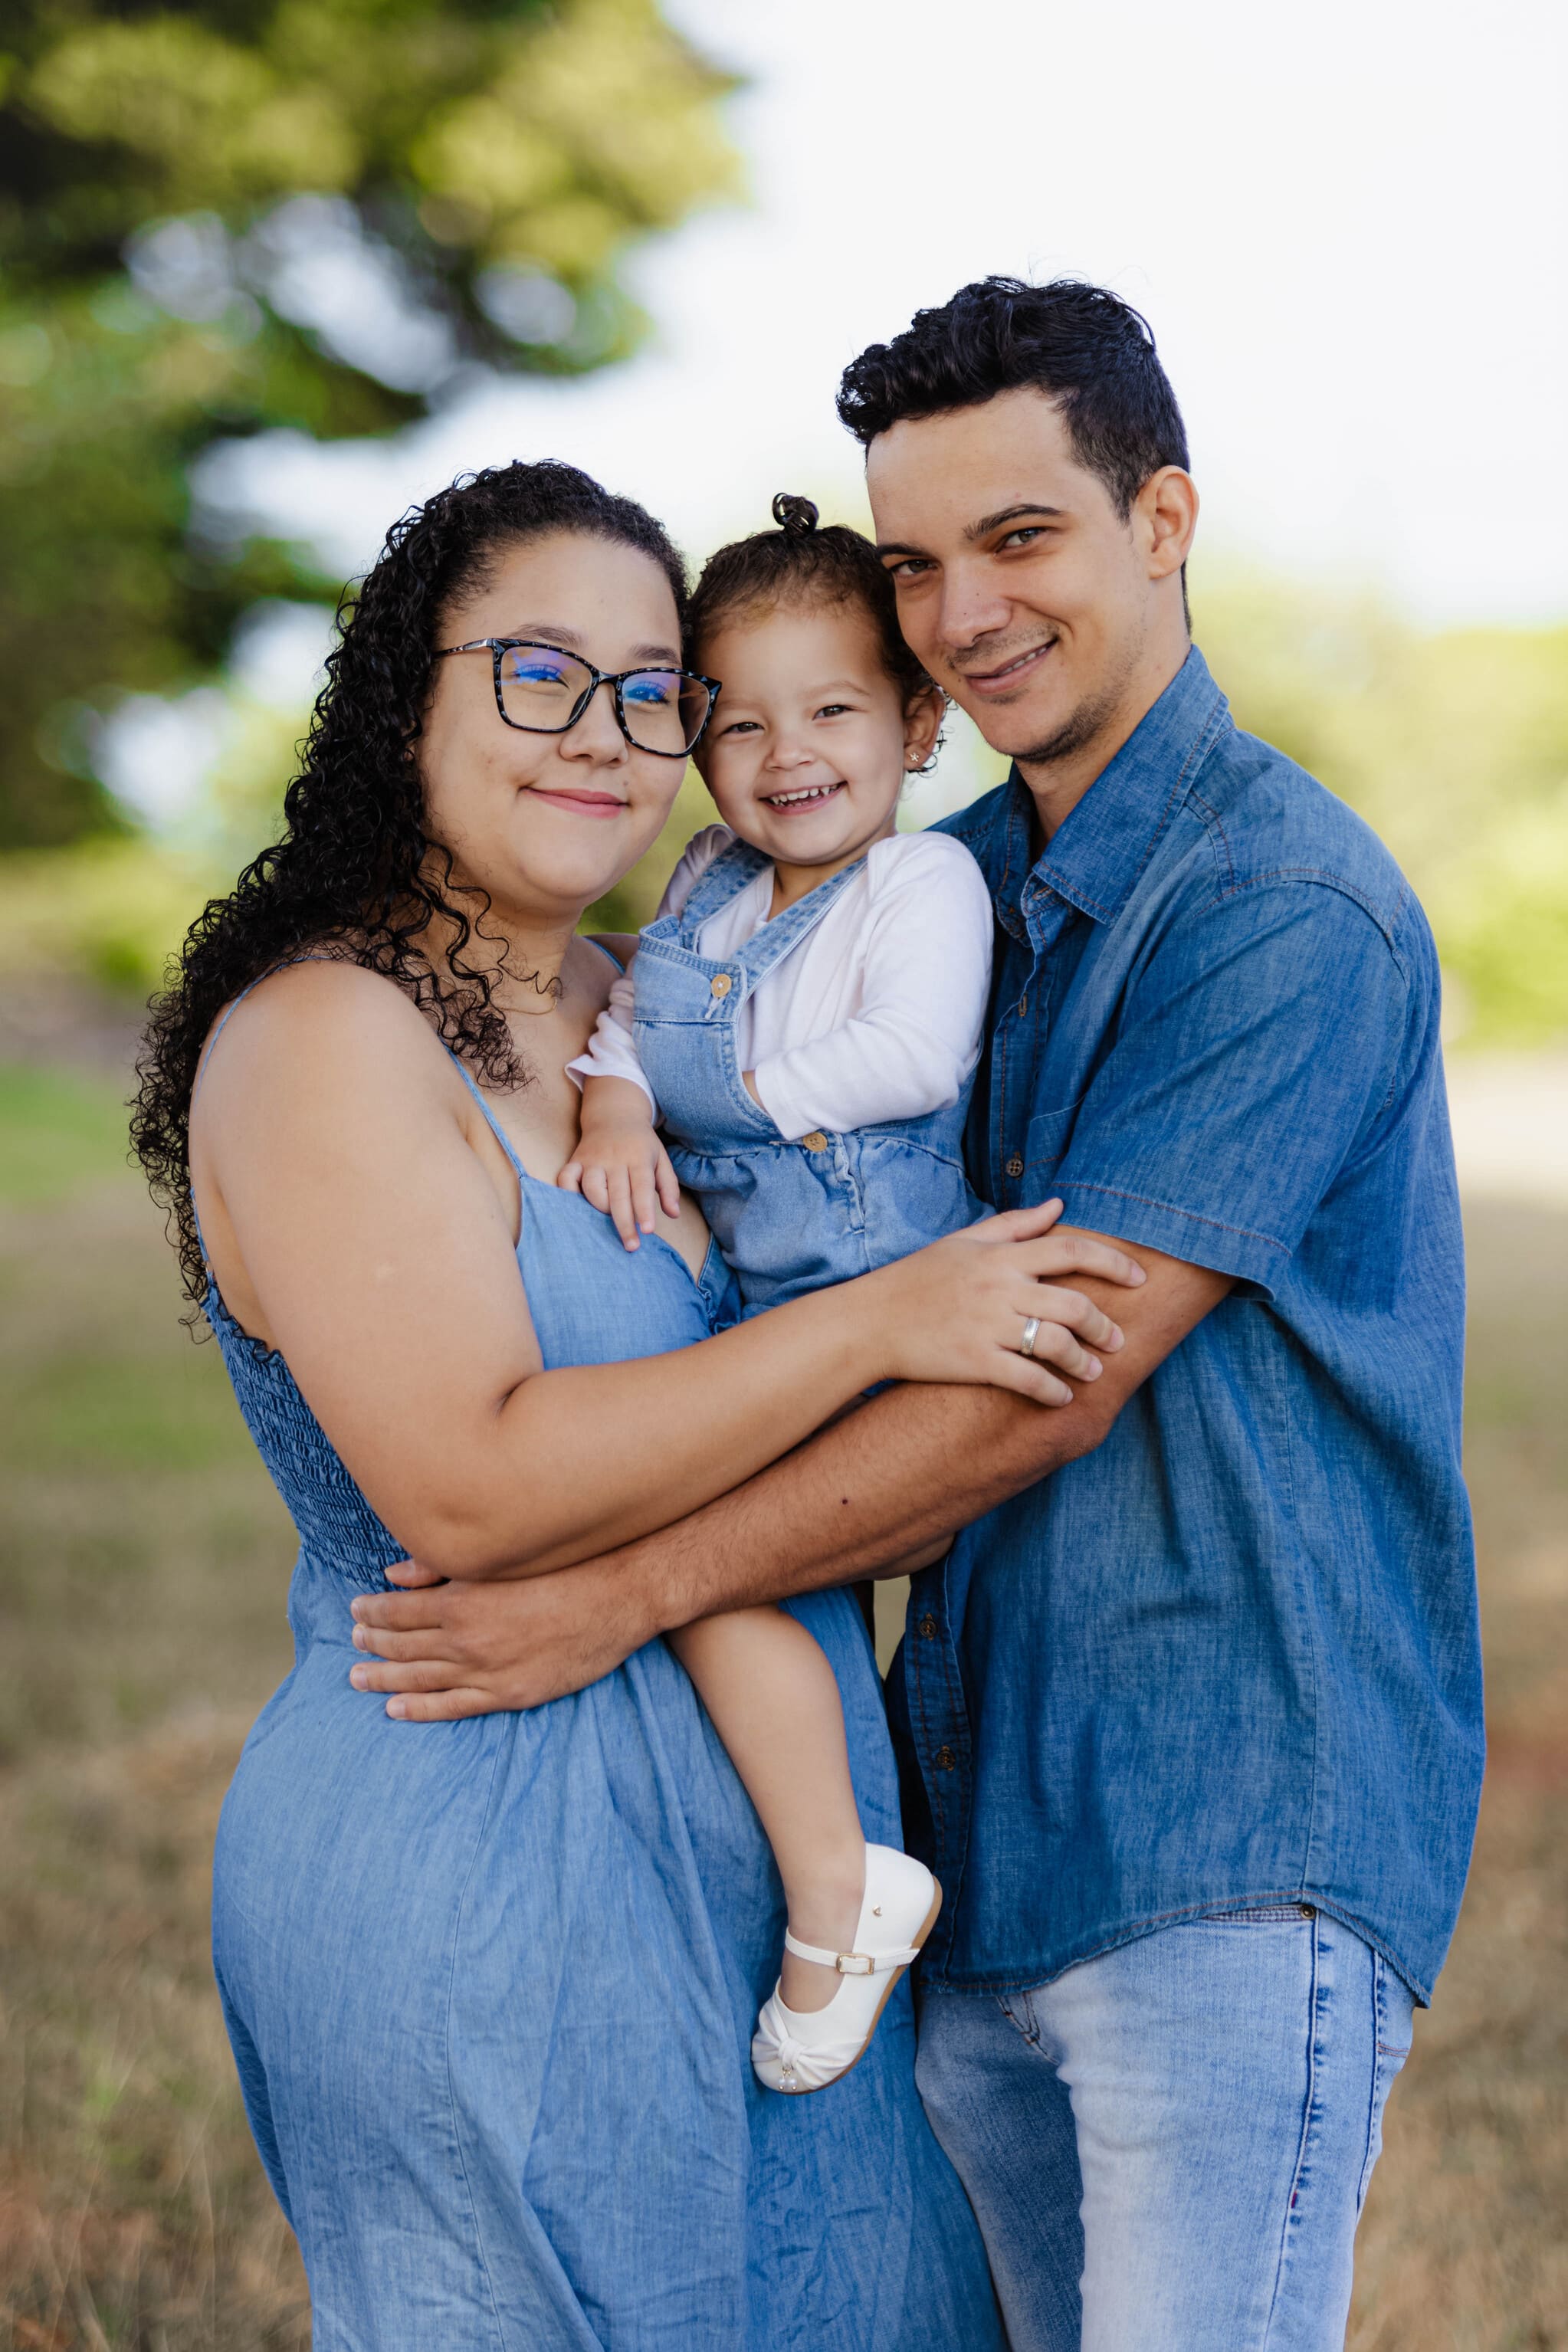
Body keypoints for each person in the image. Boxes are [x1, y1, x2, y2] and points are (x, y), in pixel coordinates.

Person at [353, 284, 1485, 2352]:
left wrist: (619, 1584)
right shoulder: (906, 878)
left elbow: (1034, 1386)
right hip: (973, 1814)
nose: (957, 607)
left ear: (1161, 518)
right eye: (912, 562)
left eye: (1019, 537)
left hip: (1220, 1824)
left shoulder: (1273, 910)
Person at [131, 456, 1141, 2347]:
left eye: (649, 686)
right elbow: (479, 1488)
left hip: (796, 1879)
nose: (604, 732)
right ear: (402, 701)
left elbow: (882, 1489)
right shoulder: (322, 1035)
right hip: (489, 1860)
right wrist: (876, 1329)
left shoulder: (667, 1005)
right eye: (534, 673)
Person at [563, 491, 1058, 2094]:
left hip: (881, 1295)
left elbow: (911, 1054)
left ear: (919, 724)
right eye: (740, 721)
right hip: (765, 1311)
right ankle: (818, 1863)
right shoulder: (711, 885)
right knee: (719, 1566)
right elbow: (636, 1022)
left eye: (835, 709)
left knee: (716, 1564)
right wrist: (625, 1101)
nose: (789, 754)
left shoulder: (920, 886)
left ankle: (842, 1889)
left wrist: (729, 1102)